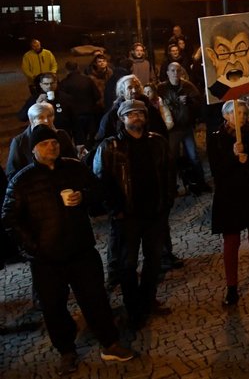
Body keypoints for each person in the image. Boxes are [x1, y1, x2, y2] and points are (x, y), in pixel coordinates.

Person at [1, 125, 134, 373]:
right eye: (44, 144)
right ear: (33, 149)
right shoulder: (22, 180)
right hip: (46, 259)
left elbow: (99, 190)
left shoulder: (74, 167)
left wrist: (83, 197)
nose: (51, 147)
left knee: (95, 299)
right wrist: (33, 247)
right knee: (54, 308)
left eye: (54, 142)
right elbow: (9, 219)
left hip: (80, 249)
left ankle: (109, 343)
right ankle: (67, 351)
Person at [93, 99, 175, 329]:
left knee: (154, 261)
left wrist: (167, 202)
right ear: (122, 119)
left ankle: (147, 301)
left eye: (140, 113)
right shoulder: (110, 147)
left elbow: (169, 172)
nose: (136, 117)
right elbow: (100, 181)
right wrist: (115, 211)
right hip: (127, 217)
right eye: (131, 114)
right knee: (127, 265)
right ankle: (133, 306)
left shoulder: (157, 142)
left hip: (155, 214)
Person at [207, 100, 249, 305]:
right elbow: (216, 171)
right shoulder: (216, 139)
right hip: (230, 197)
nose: (242, 117)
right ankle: (232, 288)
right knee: (231, 244)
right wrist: (232, 155)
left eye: (244, 113)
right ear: (226, 116)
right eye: (237, 112)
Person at [158, 63, 209, 194]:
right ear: (168, 73)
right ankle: (171, 188)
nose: (175, 73)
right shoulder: (162, 89)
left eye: (178, 70)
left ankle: (200, 182)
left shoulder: (188, 86)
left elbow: (199, 103)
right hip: (172, 130)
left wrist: (190, 103)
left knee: (193, 156)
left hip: (186, 127)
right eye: (172, 70)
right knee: (172, 159)